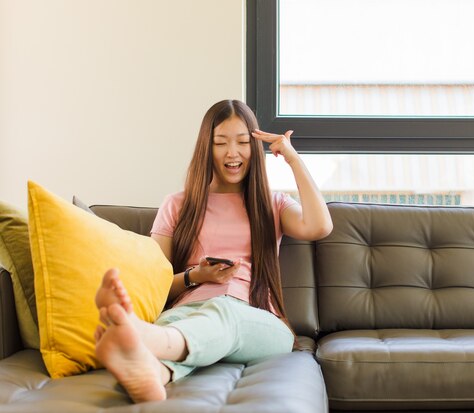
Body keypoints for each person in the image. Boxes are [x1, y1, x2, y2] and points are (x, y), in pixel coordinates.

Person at [93, 99, 333, 403]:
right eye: (221, 143)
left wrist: (292, 159)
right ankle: (154, 372)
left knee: (223, 312)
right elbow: (156, 283)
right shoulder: (177, 205)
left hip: (257, 319)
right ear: (207, 148)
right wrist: (196, 276)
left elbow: (319, 226)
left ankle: (142, 336)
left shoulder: (272, 205)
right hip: (187, 312)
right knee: (190, 324)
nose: (232, 153)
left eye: (243, 142)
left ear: (254, 149)